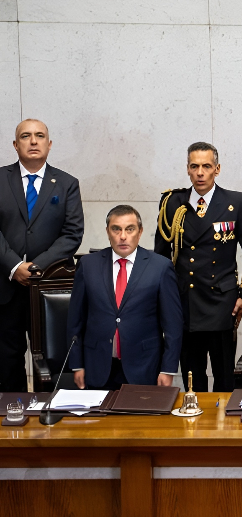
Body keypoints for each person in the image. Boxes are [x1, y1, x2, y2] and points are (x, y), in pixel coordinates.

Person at [155, 142, 242, 392]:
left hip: (223, 303)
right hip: (186, 302)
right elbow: (161, 257)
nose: (200, 173)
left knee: (224, 377)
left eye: (206, 166)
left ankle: (223, 418)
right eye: (194, 167)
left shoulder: (235, 202)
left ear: (217, 169)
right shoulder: (172, 203)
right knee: (192, 377)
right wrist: (164, 298)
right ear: (187, 169)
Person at [0, 119, 84, 392]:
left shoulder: (67, 183)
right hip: (6, 286)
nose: (33, 141)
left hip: (51, 287)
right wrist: (14, 266)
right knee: (7, 359)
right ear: (16, 145)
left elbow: (72, 234)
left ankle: (50, 413)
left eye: (39, 136)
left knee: (52, 359)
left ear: (49, 144)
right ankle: (12, 410)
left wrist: (36, 268)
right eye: (26, 136)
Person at [68, 206, 182, 389]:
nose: (123, 236)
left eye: (130, 229)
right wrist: (77, 364)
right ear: (108, 231)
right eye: (116, 229)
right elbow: (76, 319)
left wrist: (168, 369)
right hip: (97, 366)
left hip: (144, 366)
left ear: (140, 232)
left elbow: (173, 325)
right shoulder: (88, 265)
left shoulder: (160, 267)